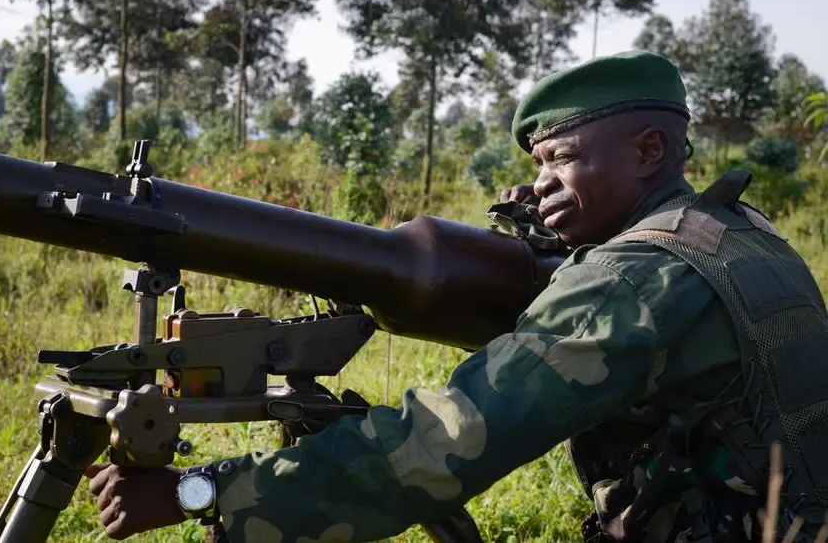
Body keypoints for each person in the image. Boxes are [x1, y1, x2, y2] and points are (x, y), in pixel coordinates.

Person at [85, 50, 828, 542]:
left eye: (561, 157)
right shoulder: (734, 230)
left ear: (649, 151)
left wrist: (202, 491)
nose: (540, 184)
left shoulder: (634, 282)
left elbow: (441, 443)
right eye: (537, 164)